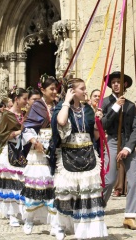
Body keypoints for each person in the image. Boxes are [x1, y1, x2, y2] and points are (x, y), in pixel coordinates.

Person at [52, 78, 108, 239]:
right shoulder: (62, 108)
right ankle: (61, 226)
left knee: (86, 193)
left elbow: (95, 136)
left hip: (88, 156)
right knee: (66, 192)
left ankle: (85, 229)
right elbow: (61, 121)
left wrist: (98, 121)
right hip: (68, 156)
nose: (85, 91)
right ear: (72, 91)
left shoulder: (88, 109)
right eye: (82, 88)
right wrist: (66, 102)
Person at [100, 71, 136, 230]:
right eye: (114, 82)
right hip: (112, 141)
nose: (116, 84)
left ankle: (130, 216)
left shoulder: (131, 105)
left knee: (133, 180)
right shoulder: (105, 103)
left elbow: (135, 129)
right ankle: (97, 209)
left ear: (125, 85)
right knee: (109, 180)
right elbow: (103, 124)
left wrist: (127, 148)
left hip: (127, 144)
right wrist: (116, 107)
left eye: (119, 82)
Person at [20, 76, 57, 235]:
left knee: (55, 188)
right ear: (43, 90)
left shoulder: (59, 106)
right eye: (52, 89)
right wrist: (35, 142)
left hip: (55, 151)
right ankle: (29, 220)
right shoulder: (36, 106)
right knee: (37, 185)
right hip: (39, 153)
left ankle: (56, 224)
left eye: (56, 89)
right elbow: (27, 128)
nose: (55, 92)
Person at [0, 87, 28, 226]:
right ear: (16, 99)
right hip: (10, 150)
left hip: (23, 151)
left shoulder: (25, 114)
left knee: (23, 182)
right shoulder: (7, 115)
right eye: (24, 99)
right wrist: (17, 132)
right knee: (11, 183)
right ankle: (12, 214)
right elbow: (0, 134)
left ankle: (21, 212)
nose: (26, 101)